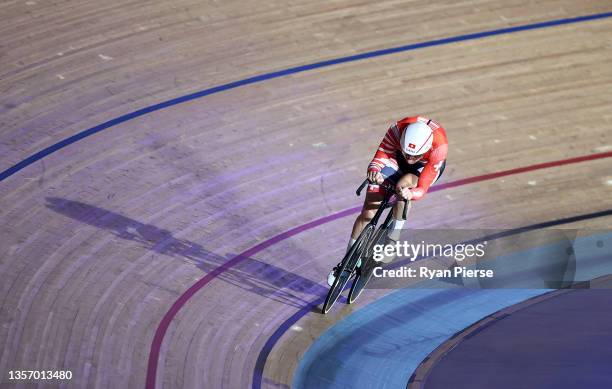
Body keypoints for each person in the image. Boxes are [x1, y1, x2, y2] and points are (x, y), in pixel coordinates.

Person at [327, 116, 448, 286]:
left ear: (426, 148)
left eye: (415, 155)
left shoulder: (439, 147)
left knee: (402, 186)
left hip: (423, 167)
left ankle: (393, 238)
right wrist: (374, 171)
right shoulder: (397, 129)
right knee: (368, 214)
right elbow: (380, 157)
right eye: (407, 153)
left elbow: (422, 188)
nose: (409, 159)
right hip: (394, 157)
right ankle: (346, 263)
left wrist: (410, 195)